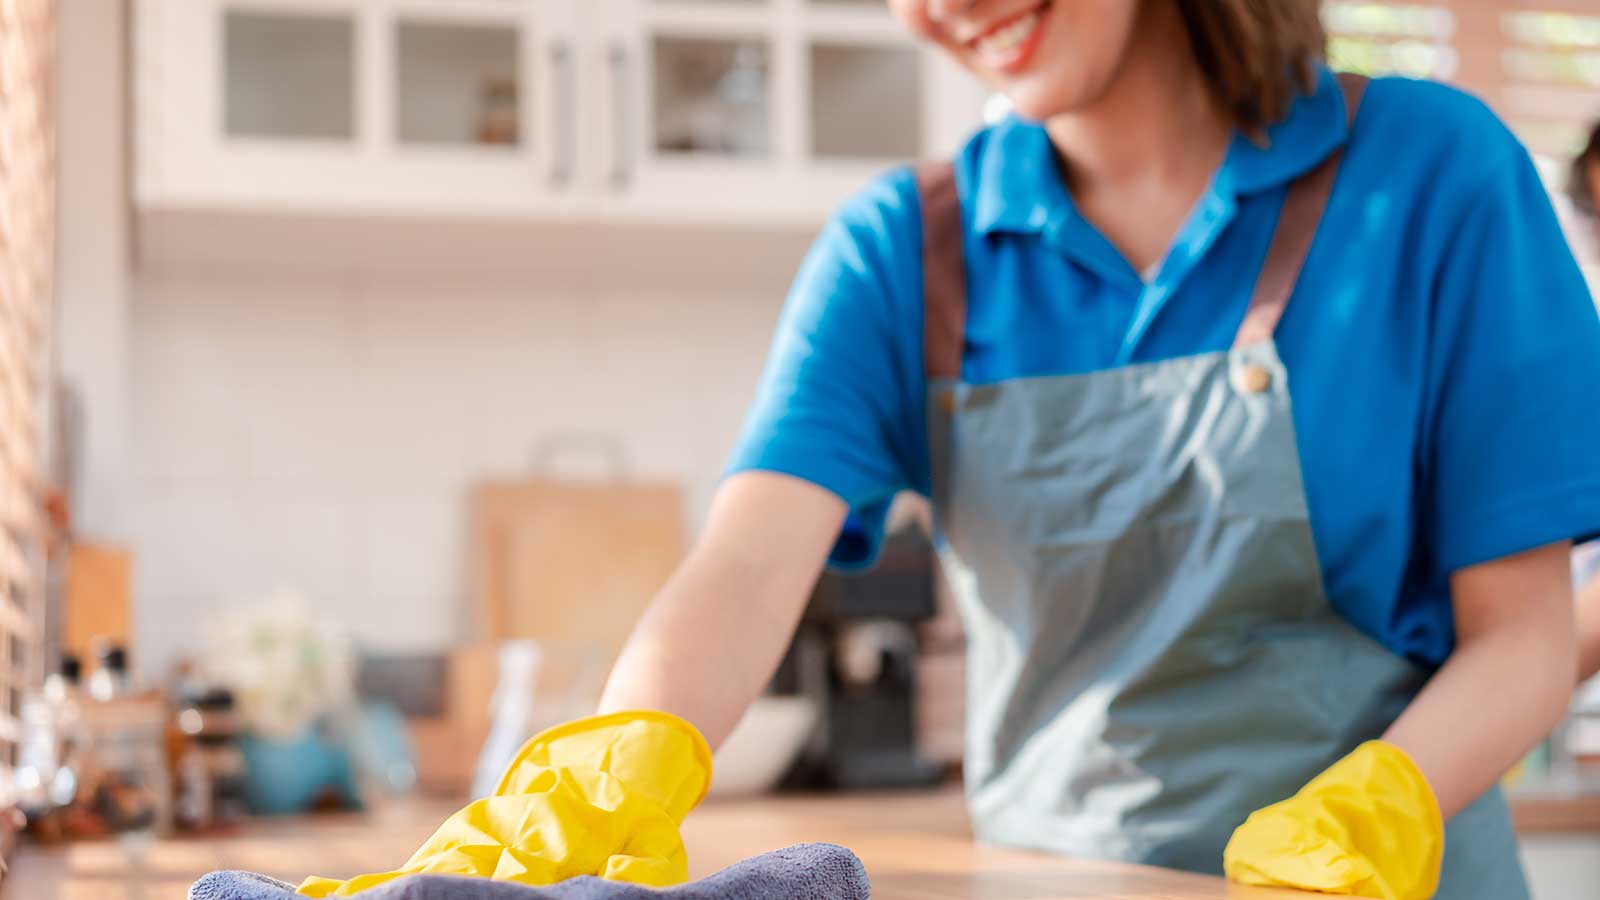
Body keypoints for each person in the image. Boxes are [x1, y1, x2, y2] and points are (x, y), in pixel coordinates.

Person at [299, 3, 1600, 899]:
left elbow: (1527, 631)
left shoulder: (1433, 175)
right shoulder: (904, 249)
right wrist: (617, 758)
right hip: (1053, 880)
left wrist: (1373, 810)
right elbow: (751, 563)